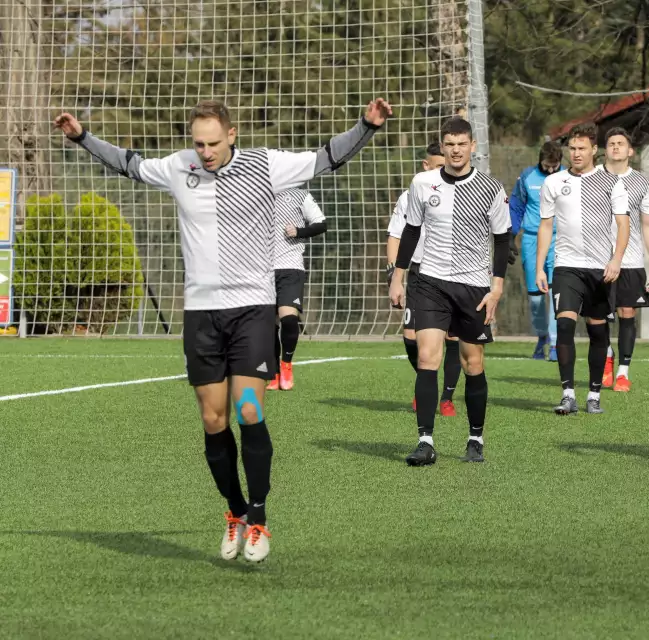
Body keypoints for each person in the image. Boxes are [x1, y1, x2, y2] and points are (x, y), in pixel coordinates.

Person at [54, 97, 392, 561]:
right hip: (202, 313)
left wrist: (366, 127)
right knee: (213, 419)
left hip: (252, 307)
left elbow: (325, 157)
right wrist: (82, 138)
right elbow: (130, 165)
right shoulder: (180, 167)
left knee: (249, 410)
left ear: (232, 135)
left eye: (213, 143)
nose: (206, 152)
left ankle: (259, 518)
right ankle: (233, 512)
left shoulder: (265, 164)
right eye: (199, 144)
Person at [389, 117, 511, 466]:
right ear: (441, 148)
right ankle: (425, 442)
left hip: (473, 285)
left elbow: (502, 240)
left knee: (472, 362)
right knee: (428, 357)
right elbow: (411, 231)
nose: (456, 150)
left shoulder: (490, 188)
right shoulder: (422, 183)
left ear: (473, 146)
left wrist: (496, 288)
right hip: (429, 281)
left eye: (462, 144)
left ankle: (475, 438)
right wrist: (398, 278)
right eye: (450, 144)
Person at [536, 123, 630, 416]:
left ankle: (593, 394)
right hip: (566, 267)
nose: (575, 154)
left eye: (581, 149)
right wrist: (540, 267)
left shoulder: (612, 182)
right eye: (572, 149)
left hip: (601, 269)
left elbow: (623, 224)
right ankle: (567, 394)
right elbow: (546, 225)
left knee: (598, 331)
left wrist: (616, 259)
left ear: (594, 150)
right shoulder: (554, 183)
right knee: (564, 325)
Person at [386, 143, 462, 416]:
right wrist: (393, 273)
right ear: (425, 165)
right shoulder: (408, 197)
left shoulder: (460, 193)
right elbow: (395, 234)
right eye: (439, 165)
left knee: (453, 338)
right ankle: (425, 383)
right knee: (410, 337)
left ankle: (446, 398)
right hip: (419, 273)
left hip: (453, 273)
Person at [598, 128, 649, 392]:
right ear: (605, 149)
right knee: (597, 316)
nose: (616, 147)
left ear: (630, 151)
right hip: (597, 259)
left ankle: (622, 372)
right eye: (611, 144)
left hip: (631, 260)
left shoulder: (643, 182)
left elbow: (647, 224)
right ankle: (607, 358)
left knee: (627, 313)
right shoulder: (593, 179)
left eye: (621, 143)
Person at [266, 189, 327, 390]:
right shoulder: (259, 192)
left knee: (288, 318)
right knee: (267, 324)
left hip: (291, 267)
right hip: (262, 269)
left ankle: (286, 365)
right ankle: (273, 373)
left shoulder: (300, 195)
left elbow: (321, 224)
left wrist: (299, 231)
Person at [509, 142, 563, 360]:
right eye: (546, 166)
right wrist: (510, 236)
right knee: (536, 298)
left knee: (556, 292)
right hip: (532, 240)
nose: (550, 170)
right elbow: (516, 206)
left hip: (560, 240)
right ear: (540, 160)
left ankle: (556, 344)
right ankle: (542, 337)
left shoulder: (567, 178)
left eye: (554, 166)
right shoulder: (527, 177)